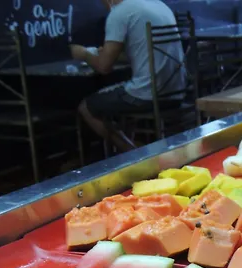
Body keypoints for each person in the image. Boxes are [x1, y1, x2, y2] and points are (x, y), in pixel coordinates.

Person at [70, 0, 187, 153]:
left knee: (86, 107)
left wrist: (83, 54)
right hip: (177, 91)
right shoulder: (159, 5)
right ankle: (136, 148)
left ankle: (134, 153)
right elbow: (147, 52)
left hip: (147, 95)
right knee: (117, 94)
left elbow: (104, 67)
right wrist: (109, 54)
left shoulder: (120, 12)